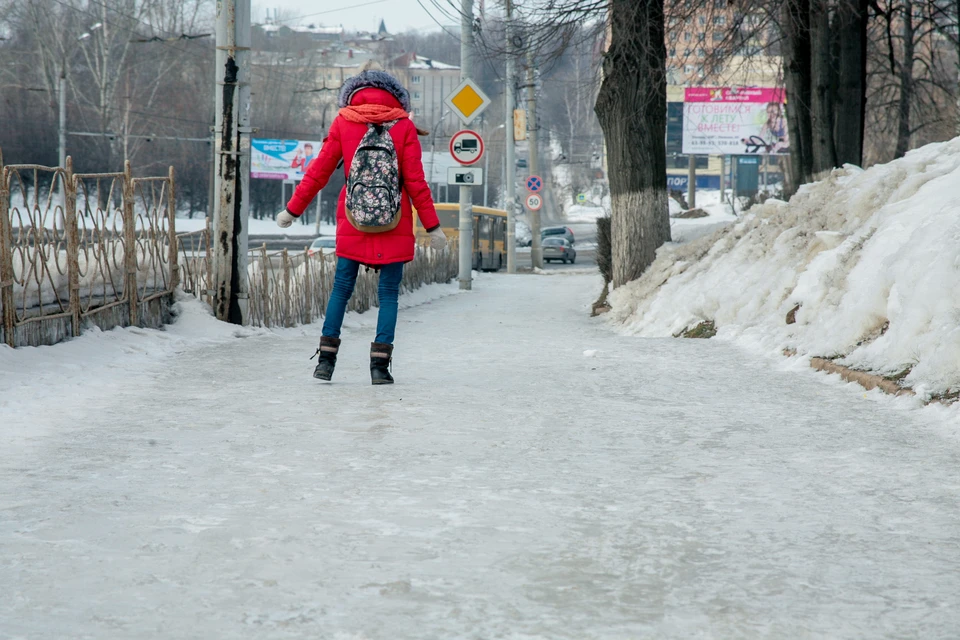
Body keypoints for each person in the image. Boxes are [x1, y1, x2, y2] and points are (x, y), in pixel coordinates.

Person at [276, 70, 447, 385]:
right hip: (394, 222)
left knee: (340, 290)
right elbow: (416, 182)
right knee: (389, 294)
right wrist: (432, 226)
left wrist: (293, 209)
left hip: (353, 220)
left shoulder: (344, 121)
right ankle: (379, 367)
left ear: (352, 95)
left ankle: (325, 362)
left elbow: (319, 172)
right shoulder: (404, 126)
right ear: (397, 98)